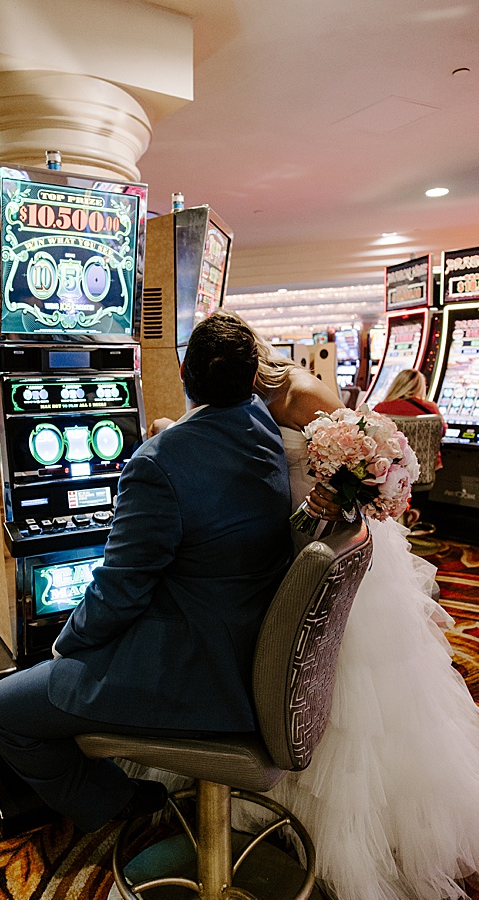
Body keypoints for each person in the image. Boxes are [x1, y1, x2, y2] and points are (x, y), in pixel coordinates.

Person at [148, 311, 479, 900]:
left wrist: (347, 489)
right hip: (288, 537)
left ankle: (339, 829)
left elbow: (375, 458)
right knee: (294, 666)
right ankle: (271, 788)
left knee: (346, 691)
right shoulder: (242, 396)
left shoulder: (298, 394)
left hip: (323, 541)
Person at [0, 315, 292, 832]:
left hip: (194, 665)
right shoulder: (259, 421)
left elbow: (120, 590)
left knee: (1, 710)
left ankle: (119, 803)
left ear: (185, 371)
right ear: (253, 373)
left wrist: (68, 643)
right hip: (257, 644)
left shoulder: (156, 464)